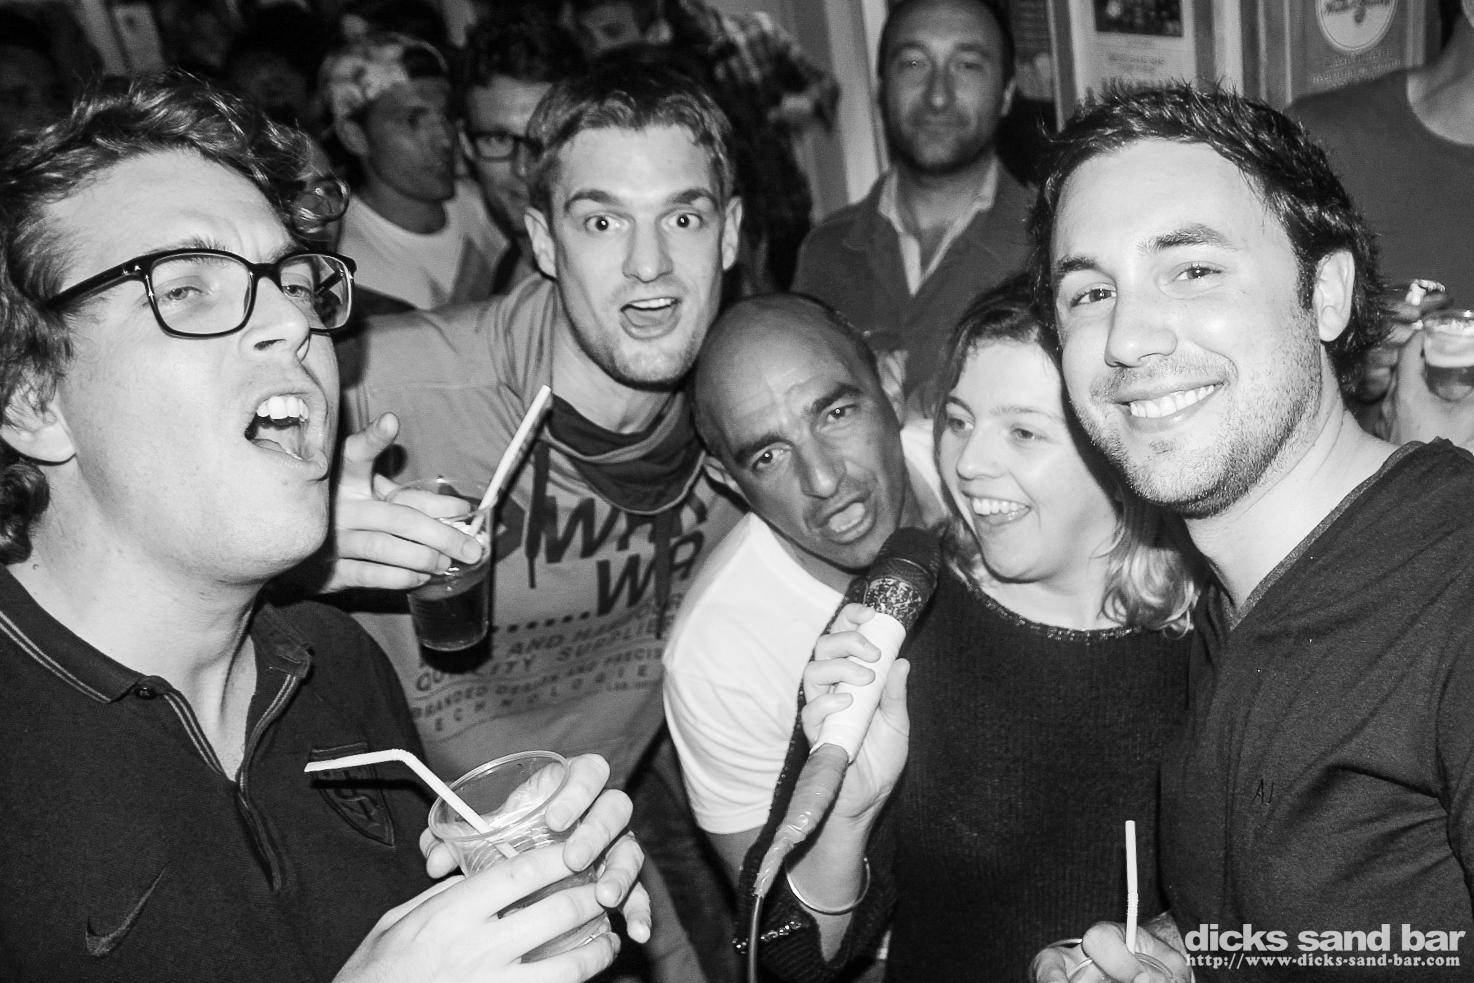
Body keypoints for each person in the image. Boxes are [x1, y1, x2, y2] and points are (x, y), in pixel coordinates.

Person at [0, 72, 647, 983]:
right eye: (185, 288)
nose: (291, 323)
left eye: (296, 283)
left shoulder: (336, 664)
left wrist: (511, 888)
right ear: (33, 399)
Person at [1028, 84, 1474, 982]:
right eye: (1091, 291)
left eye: (1193, 269)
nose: (1127, 338)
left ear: (1327, 295)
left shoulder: (1454, 591)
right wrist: (1182, 957)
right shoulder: (1226, 609)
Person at [335, 59, 748, 983]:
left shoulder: (753, 427)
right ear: (542, 241)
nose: (649, 264)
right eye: (602, 221)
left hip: (595, 843)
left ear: (729, 234)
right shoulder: (383, 389)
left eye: (683, 218)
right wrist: (298, 537)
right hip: (394, 877)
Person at [738, 275, 1199, 981]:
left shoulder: (1218, 618)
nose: (967, 464)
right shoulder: (903, 605)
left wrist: (1183, 951)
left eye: (1023, 432)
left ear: (1120, 445)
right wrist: (847, 816)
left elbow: (1291, 900)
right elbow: (784, 956)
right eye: (957, 421)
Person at [666, 293, 946, 883]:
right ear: (728, 479)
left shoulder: (992, 477)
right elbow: (778, 916)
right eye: (768, 455)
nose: (822, 478)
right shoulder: (718, 658)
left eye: (836, 414)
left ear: (891, 385)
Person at [792, 0, 1030, 403]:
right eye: (914, 64)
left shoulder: (1047, 246)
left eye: (967, 65)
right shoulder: (824, 254)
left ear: (1006, 93)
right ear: (881, 89)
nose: (938, 96)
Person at [568, 0, 839, 292]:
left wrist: (802, 105)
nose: (599, 46)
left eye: (612, 31)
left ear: (655, 28)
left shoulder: (750, 38)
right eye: (587, 36)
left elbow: (824, 87)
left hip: (777, 211)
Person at [321, 31, 509, 309]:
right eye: (413, 120)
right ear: (355, 136)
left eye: (446, 115)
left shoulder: (492, 205)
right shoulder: (342, 261)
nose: (445, 138)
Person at [461, 6, 587, 289]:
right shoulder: (511, 269)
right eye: (498, 139)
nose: (521, 167)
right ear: (465, 144)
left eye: (542, 138)